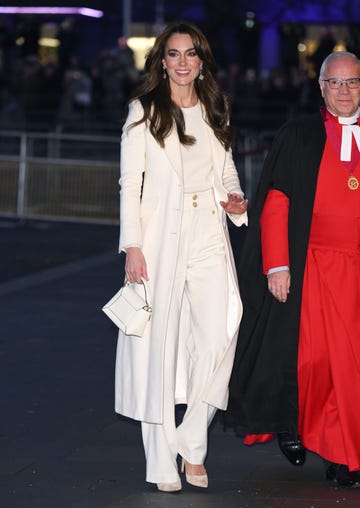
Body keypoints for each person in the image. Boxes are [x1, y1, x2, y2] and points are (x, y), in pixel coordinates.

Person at [114, 20, 248, 492]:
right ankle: (161, 460)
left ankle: (192, 438)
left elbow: (226, 168)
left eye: (191, 53)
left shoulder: (216, 105)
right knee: (159, 347)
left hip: (209, 229)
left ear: (201, 59)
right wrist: (132, 246)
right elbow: (131, 184)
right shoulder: (143, 111)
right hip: (160, 239)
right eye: (174, 54)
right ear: (162, 61)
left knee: (222, 331)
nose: (183, 61)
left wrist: (235, 198)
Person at [228, 51, 360, 488]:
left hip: (357, 272)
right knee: (317, 363)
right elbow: (277, 203)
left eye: (352, 82)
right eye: (335, 83)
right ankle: (294, 423)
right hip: (314, 269)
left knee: (352, 368)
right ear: (320, 87)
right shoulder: (299, 135)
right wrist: (277, 265)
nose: (344, 91)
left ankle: (344, 456)